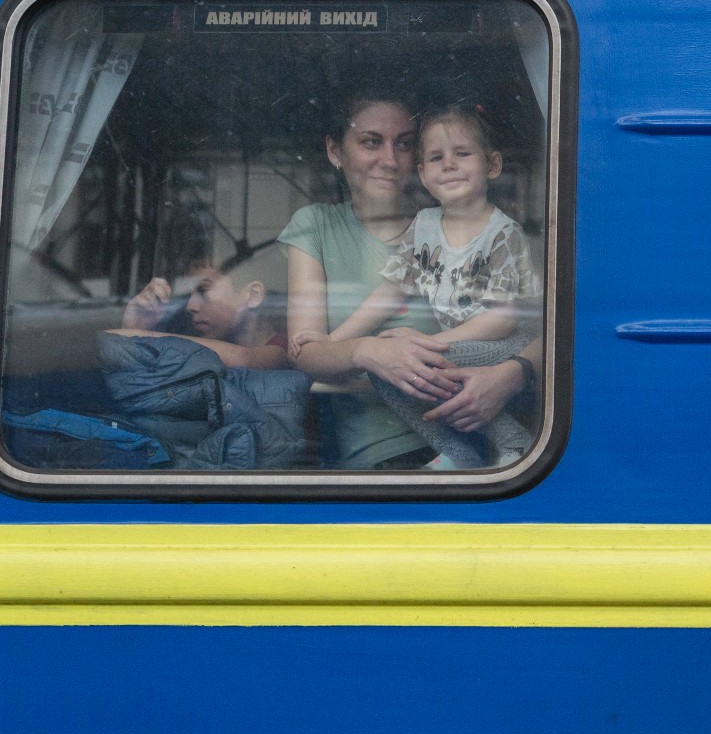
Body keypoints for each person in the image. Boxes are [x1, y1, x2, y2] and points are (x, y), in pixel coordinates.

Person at [282, 94, 541, 469]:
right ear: (335, 151)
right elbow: (305, 351)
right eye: (371, 141)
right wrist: (366, 350)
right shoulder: (324, 225)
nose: (389, 159)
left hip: (496, 425)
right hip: (386, 453)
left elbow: (546, 331)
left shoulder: (495, 230)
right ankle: (460, 456)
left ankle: (503, 445)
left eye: (403, 144)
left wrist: (510, 375)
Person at [106, 265, 288, 369]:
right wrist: (134, 325)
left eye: (203, 290)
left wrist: (135, 335)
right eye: (188, 294)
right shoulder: (198, 344)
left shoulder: (282, 350)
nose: (191, 306)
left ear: (253, 295)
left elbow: (244, 358)